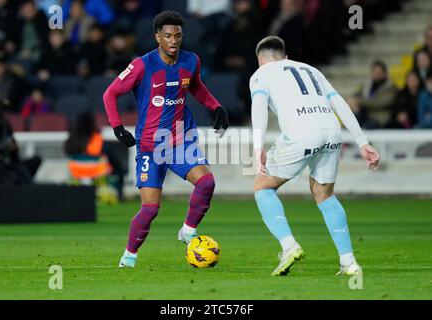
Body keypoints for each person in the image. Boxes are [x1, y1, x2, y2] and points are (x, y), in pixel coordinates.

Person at [103, 11, 229, 268]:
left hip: (180, 141)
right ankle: (129, 256)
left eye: (178, 35)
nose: (174, 40)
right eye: (168, 36)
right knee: (150, 210)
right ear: (157, 37)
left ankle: (188, 230)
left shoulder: (191, 61)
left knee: (206, 182)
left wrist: (216, 107)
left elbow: (195, 86)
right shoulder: (142, 65)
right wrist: (118, 128)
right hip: (150, 146)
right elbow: (110, 93)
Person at [250, 36, 380, 276]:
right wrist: (362, 142)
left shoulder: (261, 74)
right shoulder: (311, 69)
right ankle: (349, 262)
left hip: (301, 132)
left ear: (260, 61)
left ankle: (289, 246)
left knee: (262, 185)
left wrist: (258, 146)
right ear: (285, 56)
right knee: (325, 194)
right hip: (332, 131)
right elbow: (338, 102)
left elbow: (258, 107)